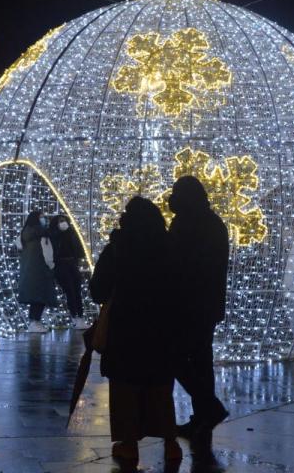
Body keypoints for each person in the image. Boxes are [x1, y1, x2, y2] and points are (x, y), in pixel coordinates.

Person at [89, 197, 182, 465]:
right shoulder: (169, 247)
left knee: (125, 388)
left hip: (125, 329)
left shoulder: (118, 248)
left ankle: (129, 444)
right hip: (161, 328)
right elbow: (181, 288)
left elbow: (98, 290)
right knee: (160, 387)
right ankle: (171, 443)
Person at [168, 176, 231, 448]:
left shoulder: (188, 224)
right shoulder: (212, 222)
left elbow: (176, 263)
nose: (171, 197)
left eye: (176, 193)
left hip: (187, 305)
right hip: (207, 305)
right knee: (202, 362)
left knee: (176, 358)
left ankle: (209, 407)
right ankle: (202, 416)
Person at [18, 210, 57, 333]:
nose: (44, 219)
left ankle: (35, 322)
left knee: (37, 297)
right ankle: (35, 322)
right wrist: (51, 266)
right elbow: (46, 254)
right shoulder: (40, 234)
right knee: (40, 297)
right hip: (39, 270)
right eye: (42, 217)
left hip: (30, 271)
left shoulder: (26, 234)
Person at [51, 215, 89, 329]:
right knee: (70, 291)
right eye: (60, 221)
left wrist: (78, 260)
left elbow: (78, 248)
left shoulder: (72, 233)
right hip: (61, 265)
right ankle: (75, 317)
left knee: (77, 291)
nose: (63, 223)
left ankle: (80, 317)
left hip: (72, 264)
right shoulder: (53, 235)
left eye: (64, 221)